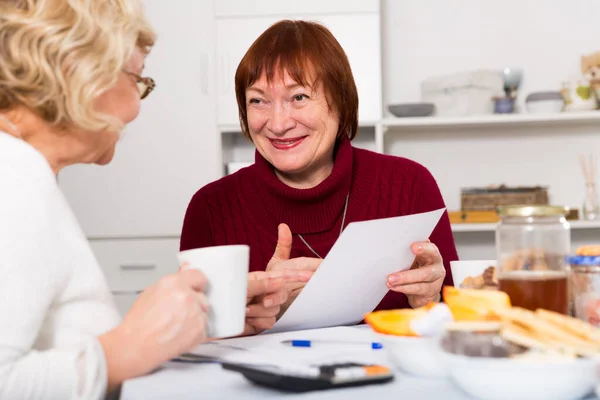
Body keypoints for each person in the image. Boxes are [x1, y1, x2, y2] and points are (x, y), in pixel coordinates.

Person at [0, 1, 309, 399]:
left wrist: (195, 328)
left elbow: (65, 353)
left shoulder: (24, 171)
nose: (134, 107)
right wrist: (128, 346)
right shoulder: (15, 175)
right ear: (80, 72)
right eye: (137, 80)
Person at [181, 20, 459, 317]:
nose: (278, 123)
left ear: (341, 101)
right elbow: (190, 340)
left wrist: (430, 302)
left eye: (299, 97)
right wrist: (256, 312)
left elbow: (459, 325)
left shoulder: (411, 186)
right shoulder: (210, 208)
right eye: (258, 100)